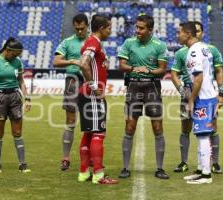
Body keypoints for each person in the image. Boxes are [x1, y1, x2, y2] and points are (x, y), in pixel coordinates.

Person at [117, 14, 169, 179]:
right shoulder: (128, 43)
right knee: (129, 127)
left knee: (158, 128)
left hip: (152, 87)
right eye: (137, 27)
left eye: (141, 28)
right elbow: (121, 65)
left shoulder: (160, 45)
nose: (137, 30)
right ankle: (125, 167)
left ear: (150, 30)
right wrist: (133, 68)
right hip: (133, 86)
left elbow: (162, 69)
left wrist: (149, 71)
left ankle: (159, 168)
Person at [171, 21, 223, 174]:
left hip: (201, 94)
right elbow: (174, 74)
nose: (198, 33)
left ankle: (212, 164)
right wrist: (183, 92)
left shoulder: (209, 50)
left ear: (201, 33)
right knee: (186, 128)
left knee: (210, 128)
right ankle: (185, 162)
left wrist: (221, 93)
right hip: (190, 92)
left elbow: (218, 72)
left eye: (199, 31)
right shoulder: (182, 52)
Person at [77, 14, 117, 184]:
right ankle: (99, 175)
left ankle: (84, 173)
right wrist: (94, 86)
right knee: (99, 133)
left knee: (88, 133)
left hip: (85, 93)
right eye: (109, 28)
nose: (110, 31)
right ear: (101, 28)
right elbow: (84, 63)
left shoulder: (93, 42)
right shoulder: (93, 42)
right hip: (92, 95)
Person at [0, 37, 31, 173]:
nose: (16, 57)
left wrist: (27, 98)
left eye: (18, 55)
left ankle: (22, 164)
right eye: (14, 54)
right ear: (8, 50)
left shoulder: (18, 62)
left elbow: (21, 81)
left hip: (15, 97)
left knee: (17, 132)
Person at [53, 13, 88, 171]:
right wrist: (72, 61)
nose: (79, 31)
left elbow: (104, 62)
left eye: (82, 28)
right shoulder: (67, 42)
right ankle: (65, 158)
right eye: (77, 28)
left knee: (90, 121)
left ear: (87, 26)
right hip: (72, 81)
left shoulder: (94, 42)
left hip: (90, 83)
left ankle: (90, 158)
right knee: (71, 121)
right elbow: (56, 61)